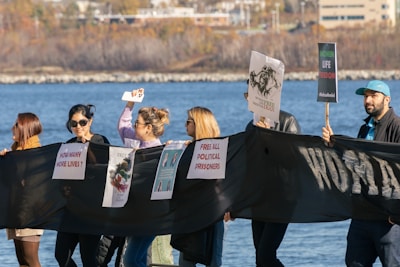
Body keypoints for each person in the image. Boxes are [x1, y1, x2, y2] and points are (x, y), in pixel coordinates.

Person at [322, 80, 400, 267]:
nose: (368, 100)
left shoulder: (397, 127)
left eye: (373, 95)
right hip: (362, 216)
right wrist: (335, 145)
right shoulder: (364, 129)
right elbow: (355, 164)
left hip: (389, 220)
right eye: (365, 96)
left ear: (387, 99)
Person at [97, 88, 171, 267]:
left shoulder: (158, 150)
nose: (133, 126)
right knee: (133, 258)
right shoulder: (135, 140)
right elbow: (123, 126)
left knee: (133, 258)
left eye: (137, 123)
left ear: (148, 128)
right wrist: (130, 104)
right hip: (129, 208)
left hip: (148, 212)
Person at [242, 88, 301, 267]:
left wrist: (269, 137)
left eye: (252, 97)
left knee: (266, 254)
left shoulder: (288, 121)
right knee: (260, 256)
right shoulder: (250, 127)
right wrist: (236, 201)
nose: (249, 102)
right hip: (259, 199)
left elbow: (293, 162)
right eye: (247, 97)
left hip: (283, 198)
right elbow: (247, 167)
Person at [55, 104, 110, 267]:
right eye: (74, 124)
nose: (78, 127)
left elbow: (106, 168)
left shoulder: (100, 141)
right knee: (61, 255)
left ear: (90, 122)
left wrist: (89, 147)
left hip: (91, 211)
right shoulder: (69, 144)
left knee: (88, 258)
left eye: (82, 122)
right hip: (71, 210)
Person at [178, 106, 224, 267]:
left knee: (212, 260)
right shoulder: (188, 148)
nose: (185, 125)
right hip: (190, 213)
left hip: (211, 214)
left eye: (188, 121)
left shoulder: (216, 151)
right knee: (187, 260)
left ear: (199, 124)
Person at [0, 112, 44, 267]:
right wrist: (5, 161)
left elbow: (31, 184)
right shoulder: (17, 152)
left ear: (26, 128)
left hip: (30, 215)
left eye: (17, 125)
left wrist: (12, 163)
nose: (13, 128)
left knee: (31, 260)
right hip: (15, 214)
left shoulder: (35, 154)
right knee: (22, 261)